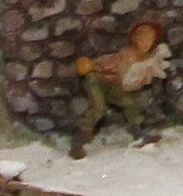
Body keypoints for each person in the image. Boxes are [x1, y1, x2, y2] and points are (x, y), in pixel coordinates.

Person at [70, 20, 174, 158]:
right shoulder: (129, 54)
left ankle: (139, 135)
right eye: (143, 38)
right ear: (135, 39)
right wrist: (145, 71)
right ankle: (78, 141)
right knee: (98, 108)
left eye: (150, 38)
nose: (147, 42)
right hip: (97, 79)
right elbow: (128, 81)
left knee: (130, 103)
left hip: (114, 83)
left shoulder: (145, 57)